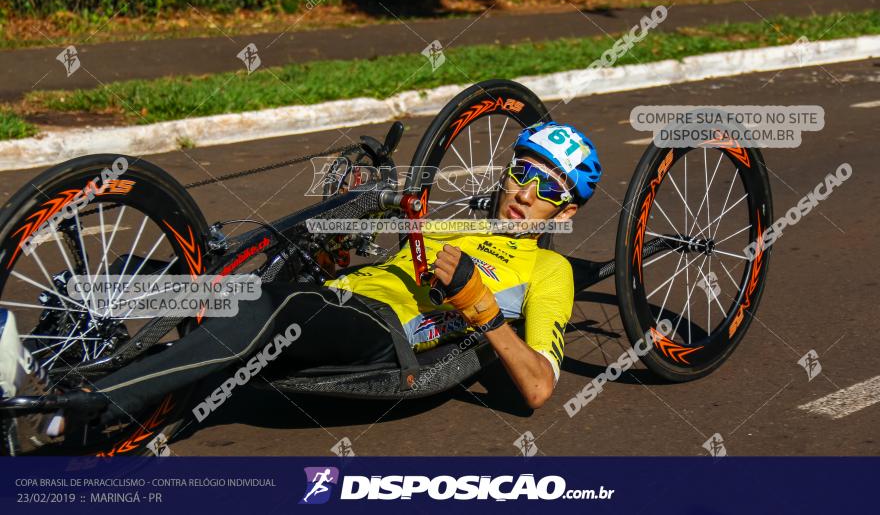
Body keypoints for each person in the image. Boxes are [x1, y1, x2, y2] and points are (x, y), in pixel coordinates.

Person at [0, 122, 601, 453]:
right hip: (334, 293)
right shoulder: (449, 220)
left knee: (267, 308)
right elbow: (355, 251)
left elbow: (538, 388)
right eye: (523, 173)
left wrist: (481, 307)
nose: (526, 195)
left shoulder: (550, 273)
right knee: (166, 277)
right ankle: (38, 359)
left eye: (549, 190)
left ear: (566, 211)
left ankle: (69, 413)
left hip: (387, 334)